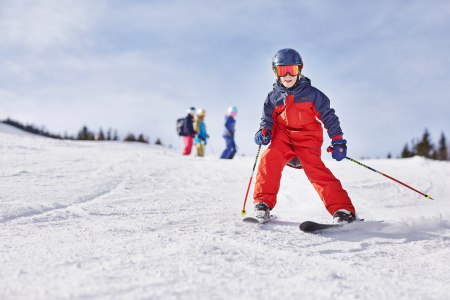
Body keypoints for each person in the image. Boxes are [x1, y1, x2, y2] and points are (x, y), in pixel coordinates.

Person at [252, 48, 357, 223]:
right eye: (281, 70)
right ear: (275, 72)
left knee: (316, 170)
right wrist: (264, 131)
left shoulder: (312, 94)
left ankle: (342, 209)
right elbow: (267, 120)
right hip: (283, 137)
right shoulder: (273, 97)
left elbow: (328, 117)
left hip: (307, 139)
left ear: (299, 69)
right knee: (268, 159)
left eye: (291, 70)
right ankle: (262, 203)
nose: (287, 75)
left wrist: (337, 140)